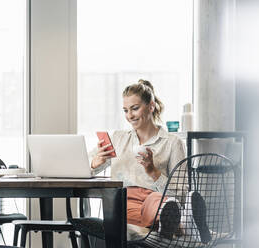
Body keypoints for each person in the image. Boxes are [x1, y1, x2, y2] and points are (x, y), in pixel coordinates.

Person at [90, 79, 210, 242]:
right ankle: (185, 225)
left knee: (158, 201)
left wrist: (153, 172)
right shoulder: (118, 139)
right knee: (131, 207)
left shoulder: (172, 143)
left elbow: (180, 194)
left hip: (156, 200)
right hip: (123, 200)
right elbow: (82, 167)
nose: (129, 116)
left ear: (151, 106)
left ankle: (176, 223)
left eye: (135, 108)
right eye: (125, 110)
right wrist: (94, 163)